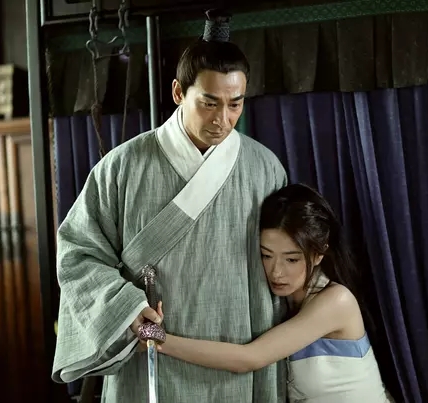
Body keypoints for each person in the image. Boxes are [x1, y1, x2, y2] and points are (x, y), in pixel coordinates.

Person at [51, 9, 287, 403]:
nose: (223, 119)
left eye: (235, 104)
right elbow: (77, 255)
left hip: (240, 343)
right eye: (209, 103)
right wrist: (126, 309)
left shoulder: (265, 168)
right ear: (179, 92)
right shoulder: (121, 167)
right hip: (150, 348)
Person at [150, 184, 396, 402]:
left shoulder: (337, 301)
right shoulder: (279, 303)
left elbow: (250, 358)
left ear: (319, 254)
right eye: (266, 255)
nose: (276, 272)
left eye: (291, 259)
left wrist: (157, 338)